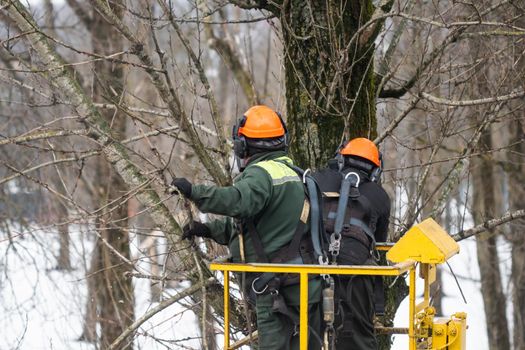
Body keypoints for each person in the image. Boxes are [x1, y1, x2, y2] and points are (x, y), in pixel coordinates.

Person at [171, 105, 322, 350]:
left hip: (277, 289)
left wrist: (195, 192)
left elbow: (238, 202)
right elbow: (258, 229)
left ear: (244, 147)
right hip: (304, 285)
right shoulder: (292, 173)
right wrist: (207, 230)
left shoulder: (260, 175)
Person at [312, 138, 391, 350]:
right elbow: (380, 241)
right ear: (375, 171)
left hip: (312, 262)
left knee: (307, 327)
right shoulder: (380, 197)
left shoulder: (318, 178)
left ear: (340, 159)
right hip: (356, 268)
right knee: (358, 332)